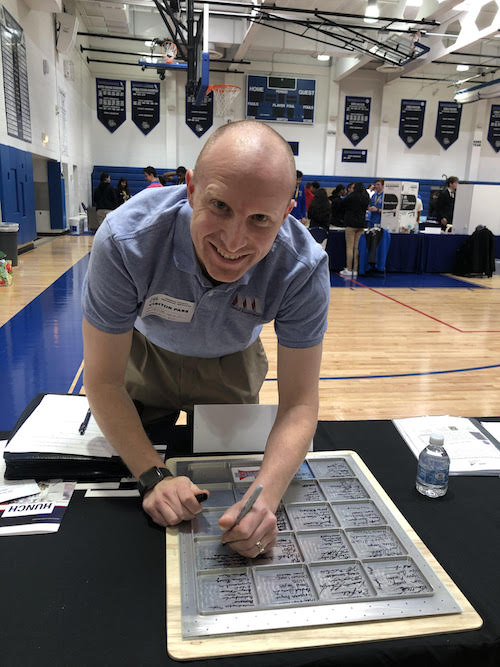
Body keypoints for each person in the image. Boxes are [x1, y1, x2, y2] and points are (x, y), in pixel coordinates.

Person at [82, 120, 330, 559]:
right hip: (144, 355)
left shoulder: (303, 267)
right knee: (132, 477)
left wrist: (263, 500)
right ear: (191, 189)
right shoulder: (126, 240)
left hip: (232, 361)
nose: (234, 241)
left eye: (260, 220)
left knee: (234, 485)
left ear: (288, 211)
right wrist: (155, 477)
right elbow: (103, 383)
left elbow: (299, 404)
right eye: (219, 206)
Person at [339, 182, 370, 277]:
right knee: (357, 248)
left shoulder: (351, 196)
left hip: (351, 224)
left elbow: (342, 205)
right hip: (361, 225)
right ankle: (356, 269)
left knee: (349, 248)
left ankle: (348, 269)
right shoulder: (366, 197)